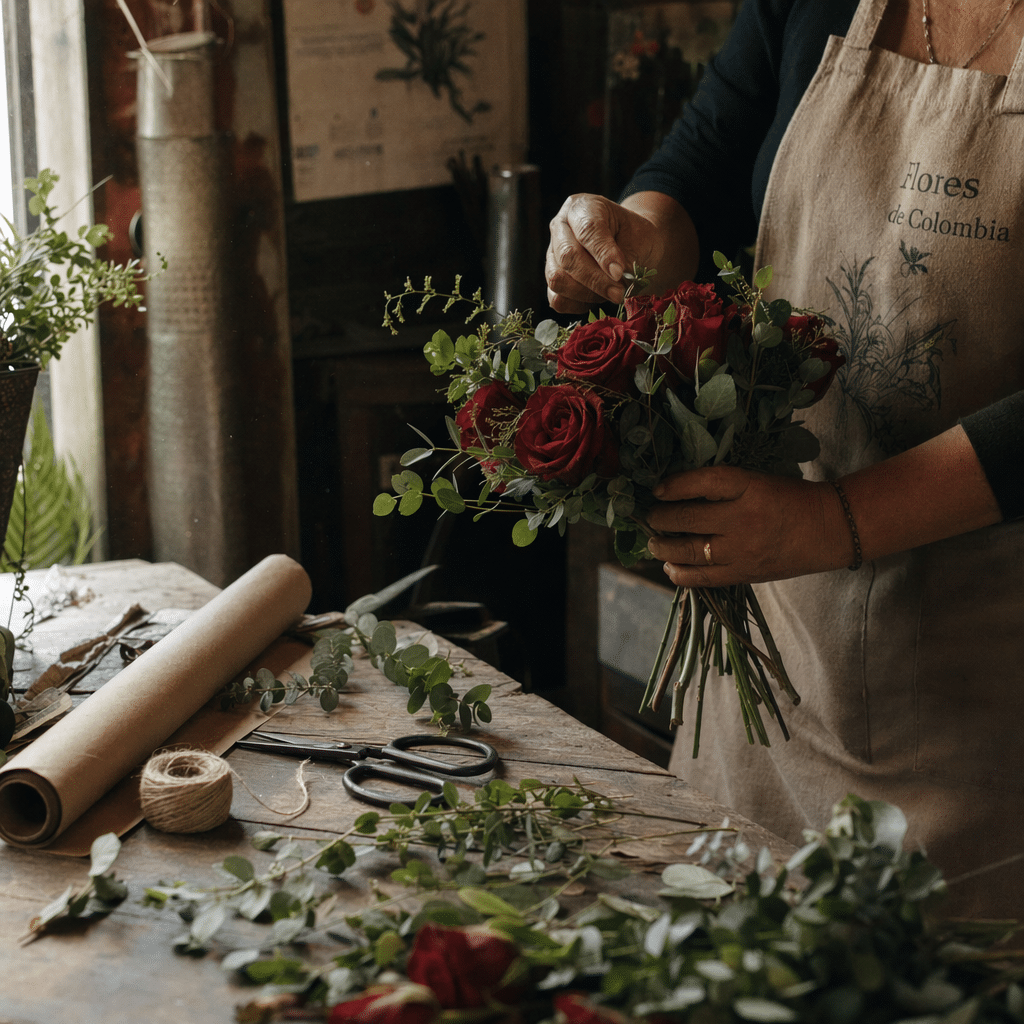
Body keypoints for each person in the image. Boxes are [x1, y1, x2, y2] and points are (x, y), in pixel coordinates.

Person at [546, 0, 1024, 923]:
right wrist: (629, 239)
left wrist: (832, 520)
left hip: (992, 720)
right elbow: (697, 171)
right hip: (778, 693)